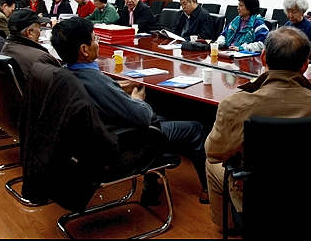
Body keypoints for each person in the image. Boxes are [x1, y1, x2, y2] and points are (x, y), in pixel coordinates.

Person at [50, 17, 209, 204]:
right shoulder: (94, 81)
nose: (98, 42)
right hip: (121, 143)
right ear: (84, 50)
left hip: (99, 139)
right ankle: (209, 190)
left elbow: (104, 94)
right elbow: (143, 117)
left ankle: (152, 186)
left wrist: (117, 88)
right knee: (195, 128)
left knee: (161, 115)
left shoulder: (67, 73)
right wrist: (136, 99)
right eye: (94, 38)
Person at [205, 27, 311, 228]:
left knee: (211, 165)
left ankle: (229, 226)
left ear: (263, 58)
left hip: (256, 196)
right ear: (305, 65)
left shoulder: (235, 105)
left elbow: (214, 153)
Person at [1, 9, 60, 84]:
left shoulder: (5, 48)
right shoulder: (41, 58)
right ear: (30, 32)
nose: (40, 32)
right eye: (39, 28)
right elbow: (59, 83)